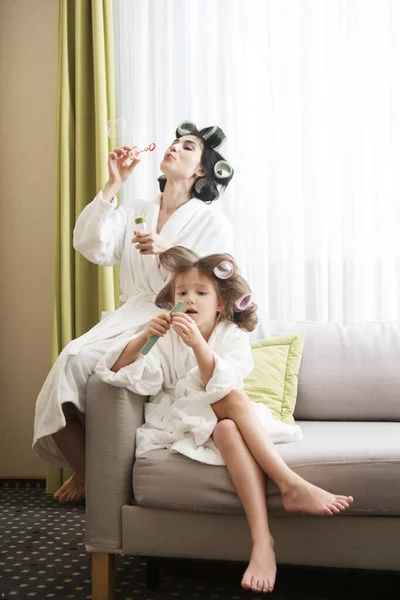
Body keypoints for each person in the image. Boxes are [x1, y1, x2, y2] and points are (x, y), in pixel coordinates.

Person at [96, 246, 354, 595]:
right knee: (231, 401)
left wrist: (199, 348)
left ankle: (262, 542)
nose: (190, 298)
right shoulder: (164, 336)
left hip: (224, 416)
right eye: (181, 292)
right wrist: (146, 336)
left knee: (230, 427)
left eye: (201, 292)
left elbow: (222, 381)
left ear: (219, 303)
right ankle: (290, 483)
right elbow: (119, 373)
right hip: (179, 415)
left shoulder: (232, 334)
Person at [33, 121, 235, 504]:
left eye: (187, 147)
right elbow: (92, 246)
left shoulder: (211, 220)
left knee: (100, 368)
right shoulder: (137, 210)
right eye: (173, 143)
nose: (174, 148)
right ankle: (93, 473)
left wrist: (167, 250)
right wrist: (113, 185)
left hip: (170, 318)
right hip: (129, 313)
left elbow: (211, 280)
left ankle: (97, 485)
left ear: (201, 170)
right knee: (68, 363)